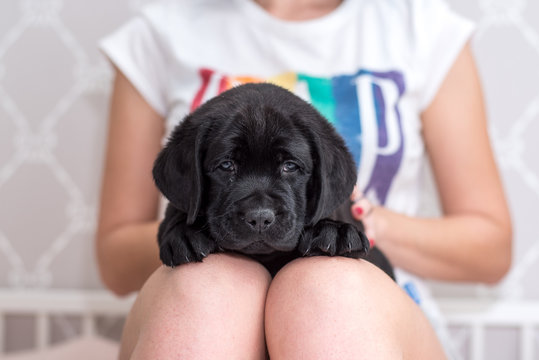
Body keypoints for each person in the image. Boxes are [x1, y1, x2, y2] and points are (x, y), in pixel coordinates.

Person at [96, 0, 512, 358]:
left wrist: (354, 220)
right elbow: (115, 261)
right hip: (196, 325)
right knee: (209, 287)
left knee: (324, 289)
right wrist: (191, 228)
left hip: (370, 320)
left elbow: (491, 248)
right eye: (227, 165)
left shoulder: (419, 25)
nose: (260, 209)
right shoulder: (163, 31)